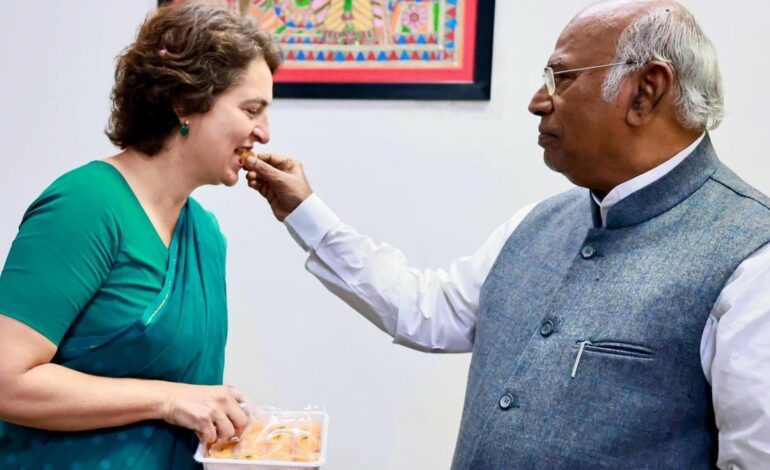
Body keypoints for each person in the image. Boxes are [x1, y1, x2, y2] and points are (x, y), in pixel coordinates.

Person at [244, 0, 770, 468]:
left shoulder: (753, 258)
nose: (538, 102)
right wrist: (304, 210)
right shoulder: (539, 222)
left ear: (645, 92)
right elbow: (427, 311)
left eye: (562, 80)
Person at [0, 1, 281, 468]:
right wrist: (168, 400)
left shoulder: (205, 235)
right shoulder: (85, 206)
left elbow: (192, 393)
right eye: (252, 109)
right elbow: (6, 379)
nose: (265, 132)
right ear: (184, 101)